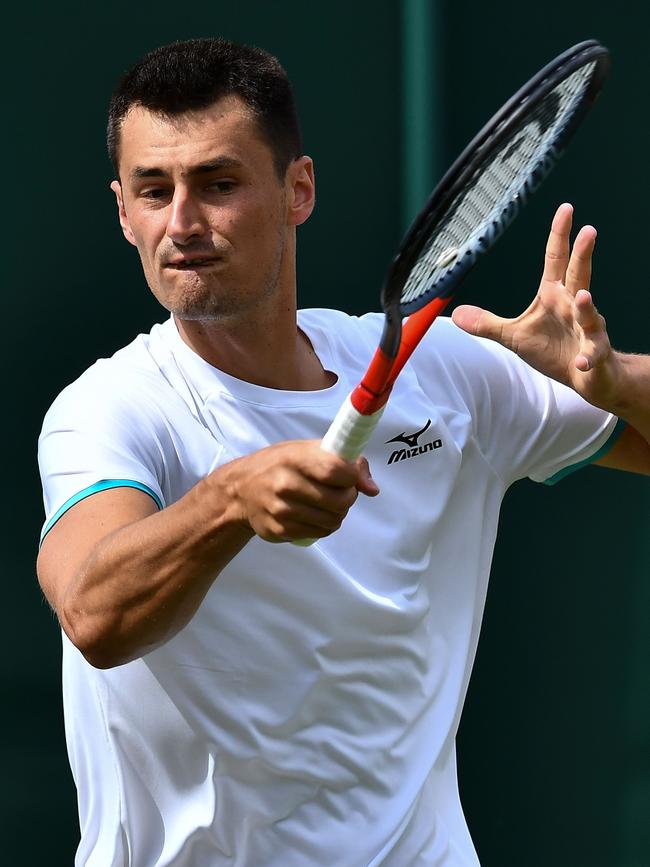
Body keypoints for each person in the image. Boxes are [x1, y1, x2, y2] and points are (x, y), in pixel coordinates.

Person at [36, 37, 649, 867]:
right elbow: (93, 613)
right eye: (154, 190)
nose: (181, 223)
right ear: (122, 211)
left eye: (218, 185)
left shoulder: (444, 372)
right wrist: (230, 501)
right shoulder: (107, 411)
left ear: (298, 190)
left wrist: (612, 382)